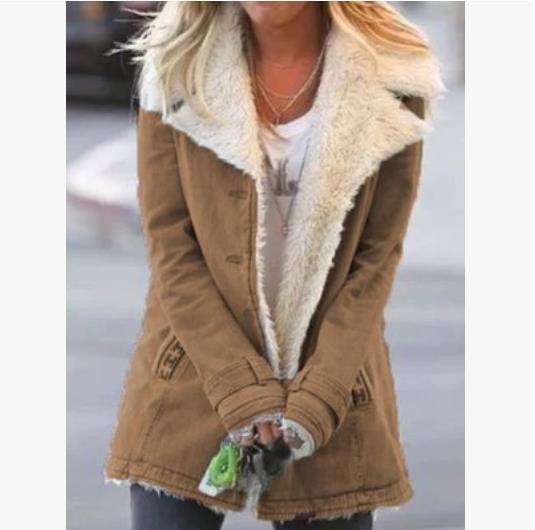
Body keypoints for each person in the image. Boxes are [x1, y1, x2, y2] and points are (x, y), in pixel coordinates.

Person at [104, 2, 445, 529]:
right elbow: (171, 245)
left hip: (332, 378)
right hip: (196, 366)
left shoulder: (394, 73)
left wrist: (321, 394)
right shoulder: (176, 59)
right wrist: (238, 385)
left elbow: (374, 261)